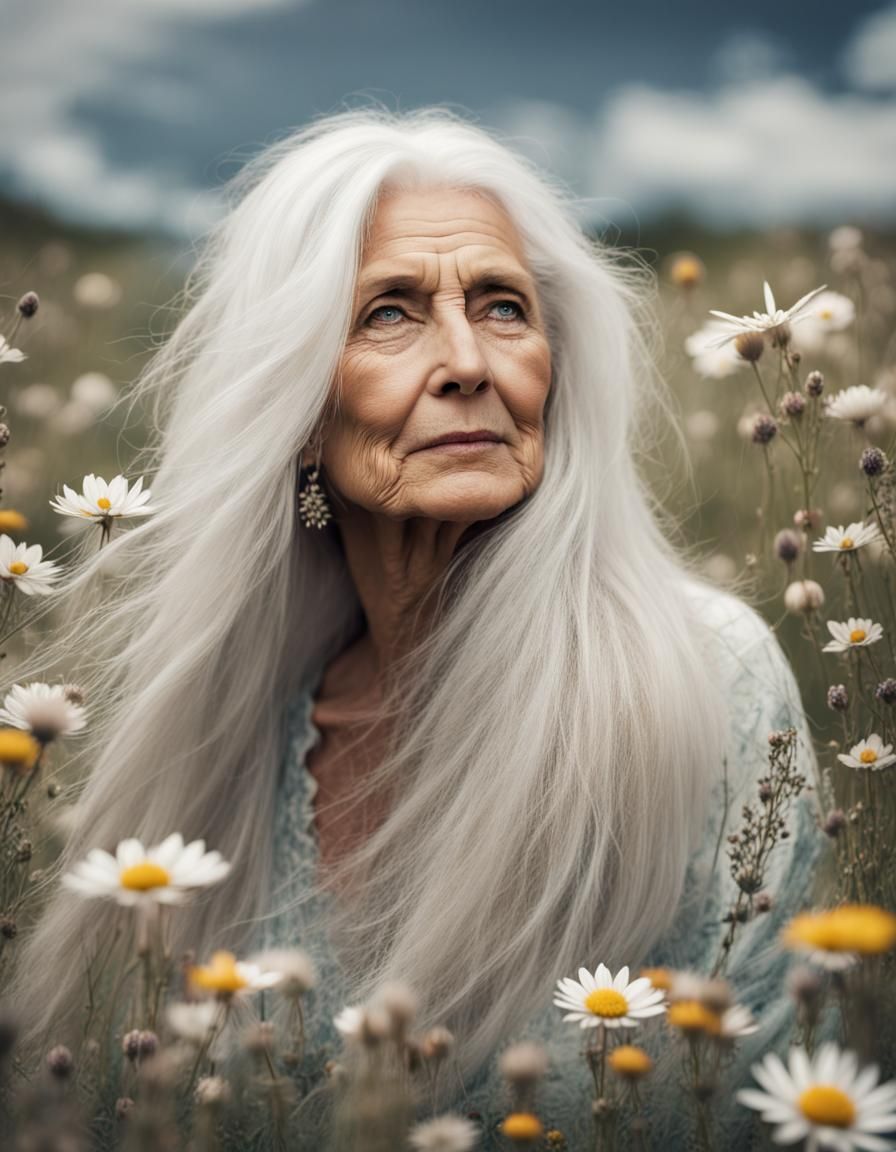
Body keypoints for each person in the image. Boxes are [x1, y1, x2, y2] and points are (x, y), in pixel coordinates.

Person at [5, 107, 825, 1149]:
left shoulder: (703, 678)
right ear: (296, 406)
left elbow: (771, 1099)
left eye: (501, 308)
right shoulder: (227, 736)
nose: (465, 362)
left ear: (554, 368)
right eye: (388, 313)